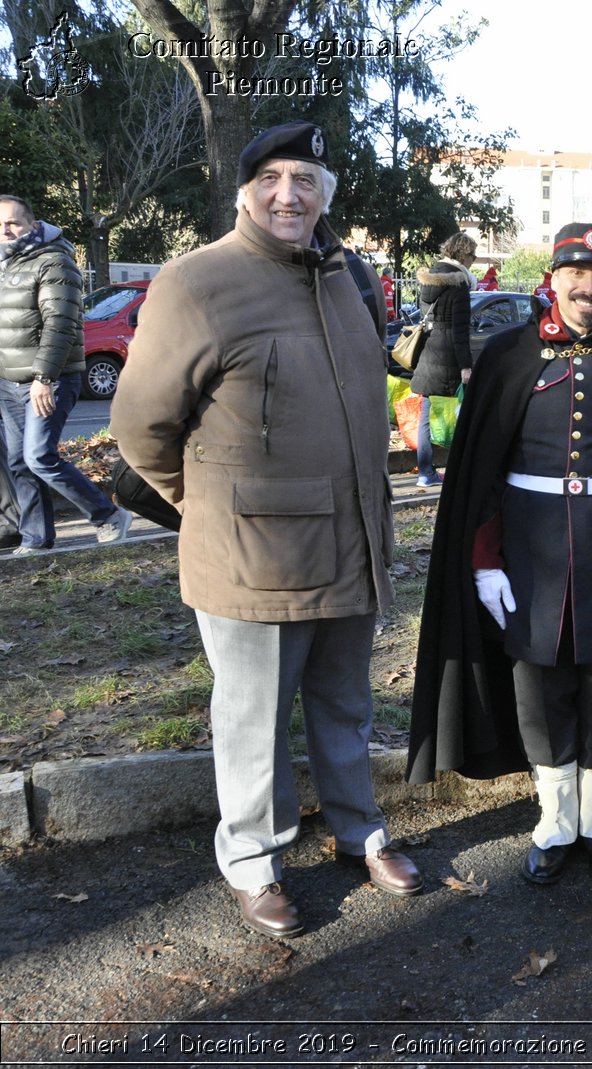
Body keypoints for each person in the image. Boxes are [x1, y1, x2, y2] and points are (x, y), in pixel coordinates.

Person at [110, 121, 420, 939]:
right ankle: (254, 860)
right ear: (246, 190)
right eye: (274, 178)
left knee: (345, 702)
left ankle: (360, 829)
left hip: (350, 541)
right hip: (251, 557)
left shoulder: (345, 273)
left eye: (307, 180)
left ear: (325, 195)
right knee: (252, 716)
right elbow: (141, 427)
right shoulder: (197, 281)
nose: (291, 195)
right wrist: (203, 504)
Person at [409, 222, 592, 886]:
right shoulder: (510, 357)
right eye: (576, 274)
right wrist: (484, 562)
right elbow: (480, 473)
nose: (588, 288)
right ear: (552, 279)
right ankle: (555, 819)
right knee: (538, 690)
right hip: (529, 558)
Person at [0, 195, 132, 554]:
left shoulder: (54, 261)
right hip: (8, 382)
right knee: (18, 461)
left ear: (33, 224)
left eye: (12, 223)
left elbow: (59, 324)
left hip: (49, 379)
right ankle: (36, 538)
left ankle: (108, 515)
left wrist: (44, 378)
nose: (5, 231)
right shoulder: (6, 264)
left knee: (39, 456)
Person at [409, 232, 476, 487]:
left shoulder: (430, 280)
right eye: (472, 254)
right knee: (461, 414)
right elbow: (460, 331)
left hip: (429, 354)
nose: (474, 259)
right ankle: (461, 470)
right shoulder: (458, 284)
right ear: (462, 254)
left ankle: (425, 472)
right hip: (448, 357)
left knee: (427, 417)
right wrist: (466, 366)